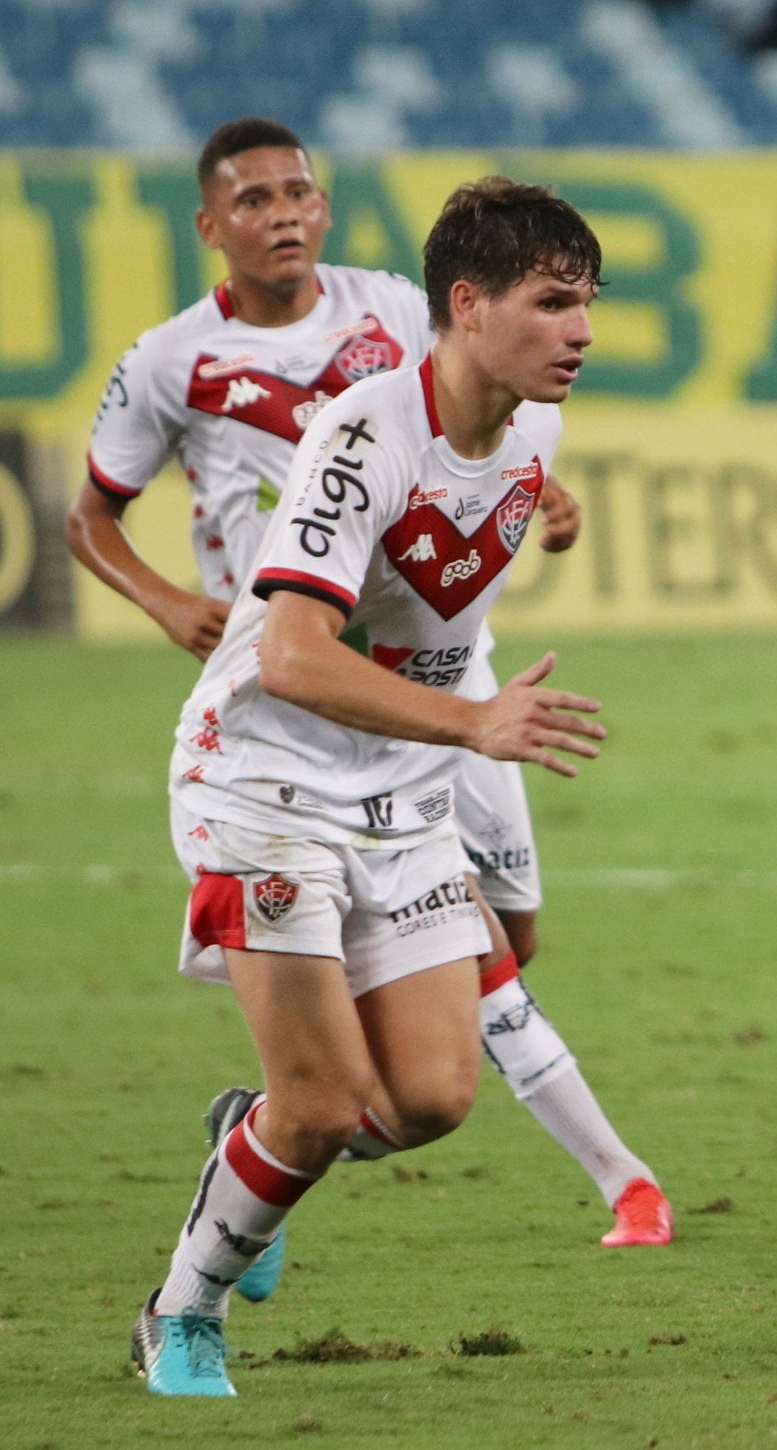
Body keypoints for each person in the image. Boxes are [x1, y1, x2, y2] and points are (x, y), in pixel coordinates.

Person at [68, 119, 671, 1273]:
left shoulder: (434, 338)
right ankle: (192, 1297)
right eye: (554, 304)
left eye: (583, 303)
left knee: (444, 1077)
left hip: (416, 725)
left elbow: (486, 432)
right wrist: (160, 600)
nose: (582, 331)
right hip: (279, 741)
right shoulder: (225, 379)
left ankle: (265, 1132)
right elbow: (273, 637)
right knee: (325, 1099)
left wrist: (540, 498)